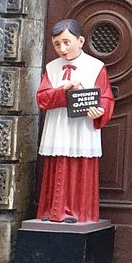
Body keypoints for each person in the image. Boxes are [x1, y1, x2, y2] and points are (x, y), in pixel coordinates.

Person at [34, 18, 115, 224]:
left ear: (80, 41)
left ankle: (78, 212)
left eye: (66, 42)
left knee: (79, 167)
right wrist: (63, 90)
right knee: (56, 165)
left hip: (82, 127)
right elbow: (42, 98)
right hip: (58, 124)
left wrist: (100, 111)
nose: (62, 49)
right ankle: (52, 211)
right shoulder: (52, 67)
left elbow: (105, 97)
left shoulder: (95, 66)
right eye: (57, 44)